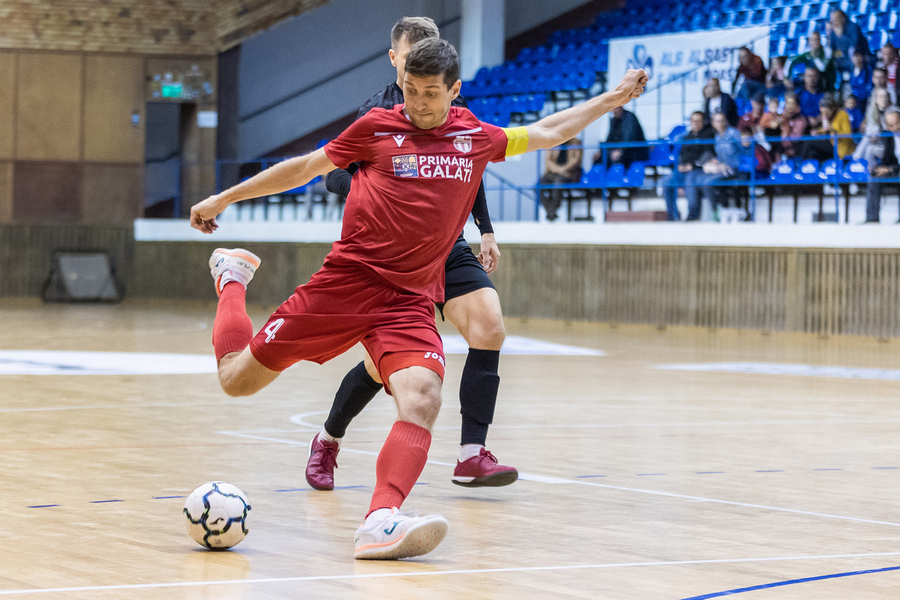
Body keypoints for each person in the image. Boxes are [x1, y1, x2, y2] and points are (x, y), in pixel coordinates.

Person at [189, 37, 647, 560]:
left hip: (408, 299)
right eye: (410, 90)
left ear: (454, 90)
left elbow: (548, 131)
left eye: (431, 93)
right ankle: (231, 277)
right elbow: (305, 168)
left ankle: (380, 519)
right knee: (236, 380)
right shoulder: (376, 128)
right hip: (347, 284)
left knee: (423, 397)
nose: (419, 103)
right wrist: (224, 197)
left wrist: (614, 98)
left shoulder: (475, 136)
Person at [310, 17, 516, 494]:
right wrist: (376, 187)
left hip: (445, 246)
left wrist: (485, 229)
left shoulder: (452, 108)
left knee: (489, 326)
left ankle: (471, 454)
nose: (423, 70)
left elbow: (471, 168)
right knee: (378, 365)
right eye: (412, 58)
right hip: (390, 257)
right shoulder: (376, 113)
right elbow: (331, 173)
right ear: (395, 60)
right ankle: (328, 439)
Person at [661, 111, 714, 221]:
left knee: (690, 181)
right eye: (694, 121)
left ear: (703, 122)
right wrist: (680, 166)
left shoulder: (708, 135)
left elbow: (708, 154)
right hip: (683, 170)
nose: (696, 123)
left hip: (698, 170)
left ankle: (693, 215)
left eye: (699, 121)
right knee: (666, 181)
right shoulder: (687, 137)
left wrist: (693, 166)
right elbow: (681, 155)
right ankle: (673, 215)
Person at [700, 112, 749, 218]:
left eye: (722, 120)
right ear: (713, 123)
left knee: (712, 182)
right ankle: (723, 209)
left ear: (726, 121)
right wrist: (715, 161)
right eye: (717, 121)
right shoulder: (717, 137)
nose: (720, 123)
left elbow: (743, 150)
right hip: (724, 169)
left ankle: (734, 210)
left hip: (736, 168)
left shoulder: (733, 134)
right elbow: (721, 155)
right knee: (706, 180)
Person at [865, 107, 900, 223]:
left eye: (897, 123)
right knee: (875, 177)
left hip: (895, 169)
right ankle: (872, 219)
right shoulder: (889, 137)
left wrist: (889, 169)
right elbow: (887, 159)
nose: (895, 128)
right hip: (895, 169)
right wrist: (880, 168)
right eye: (891, 125)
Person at [539, 138, 583, 221]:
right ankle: (551, 211)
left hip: (568, 174)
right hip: (552, 173)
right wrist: (558, 170)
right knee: (539, 185)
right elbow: (548, 160)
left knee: (558, 184)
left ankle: (551, 212)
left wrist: (563, 169)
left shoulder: (576, 143)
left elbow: (576, 160)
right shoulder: (552, 140)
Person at [801, 95, 855, 161]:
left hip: (839, 148)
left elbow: (848, 134)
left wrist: (833, 129)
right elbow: (825, 129)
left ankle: (800, 164)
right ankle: (806, 166)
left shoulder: (843, 115)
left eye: (828, 110)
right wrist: (818, 131)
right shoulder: (825, 116)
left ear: (833, 108)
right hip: (830, 145)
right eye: (823, 111)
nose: (826, 113)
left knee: (809, 142)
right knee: (812, 153)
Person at [827, 9, 869, 75]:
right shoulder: (833, 32)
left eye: (835, 19)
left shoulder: (853, 27)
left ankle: (855, 75)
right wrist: (828, 35)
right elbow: (832, 48)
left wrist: (841, 36)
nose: (833, 22)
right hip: (841, 56)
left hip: (857, 54)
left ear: (843, 19)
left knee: (852, 52)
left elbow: (854, 45)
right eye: (832, 20)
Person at [779, 93, 810, 160]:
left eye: (792, 103)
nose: (789, 106)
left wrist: (787, 126)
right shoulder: (781, 117)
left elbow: (795, 139)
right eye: (788, 103)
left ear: (797, 105)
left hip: (796, 154)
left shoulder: (801, 120)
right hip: (781, 154)